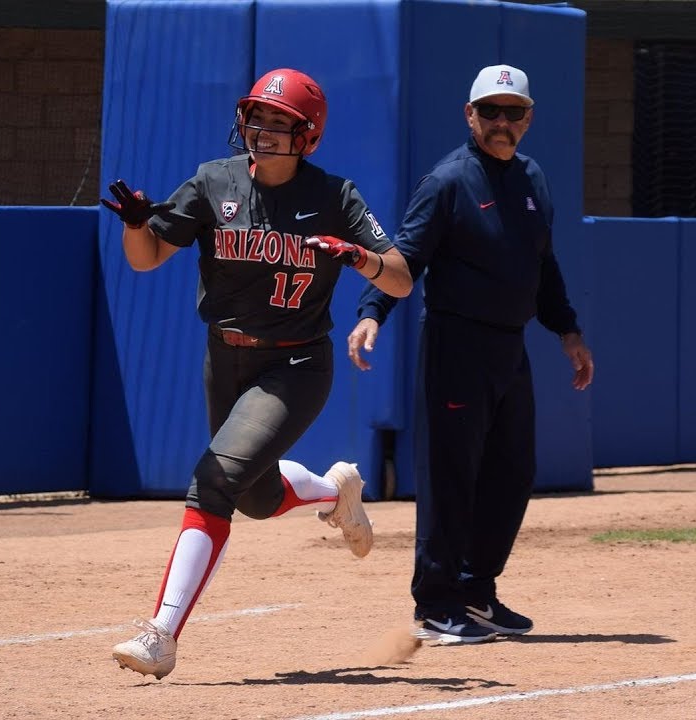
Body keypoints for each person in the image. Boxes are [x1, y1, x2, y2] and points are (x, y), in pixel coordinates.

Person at [99, 68, 413, 679]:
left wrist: (358, 256)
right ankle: (333, 489)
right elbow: (145, 261)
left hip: (295, 363)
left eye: (280, 123)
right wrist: (138, 224)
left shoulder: (334, 195)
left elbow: (399, 276)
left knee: (213, 481)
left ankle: (160, 635)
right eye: (257, 118)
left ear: (309, 136)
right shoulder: (214, 181)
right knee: (257, 498)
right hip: (227, 358)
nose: (263, 131)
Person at [347, 65, 594, 645]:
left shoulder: (532, 178)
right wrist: (370, 313)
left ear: (529, 118)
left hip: (510, 347)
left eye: (513, 112)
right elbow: (404, 257)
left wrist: (568, 332)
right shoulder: (449, 181)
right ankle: (434, 605)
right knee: (451, 476)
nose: (502, 122)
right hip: (456, 345)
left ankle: (476, 590)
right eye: (491, 112)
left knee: (512, 473)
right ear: (470, 115)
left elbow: (543, 265)